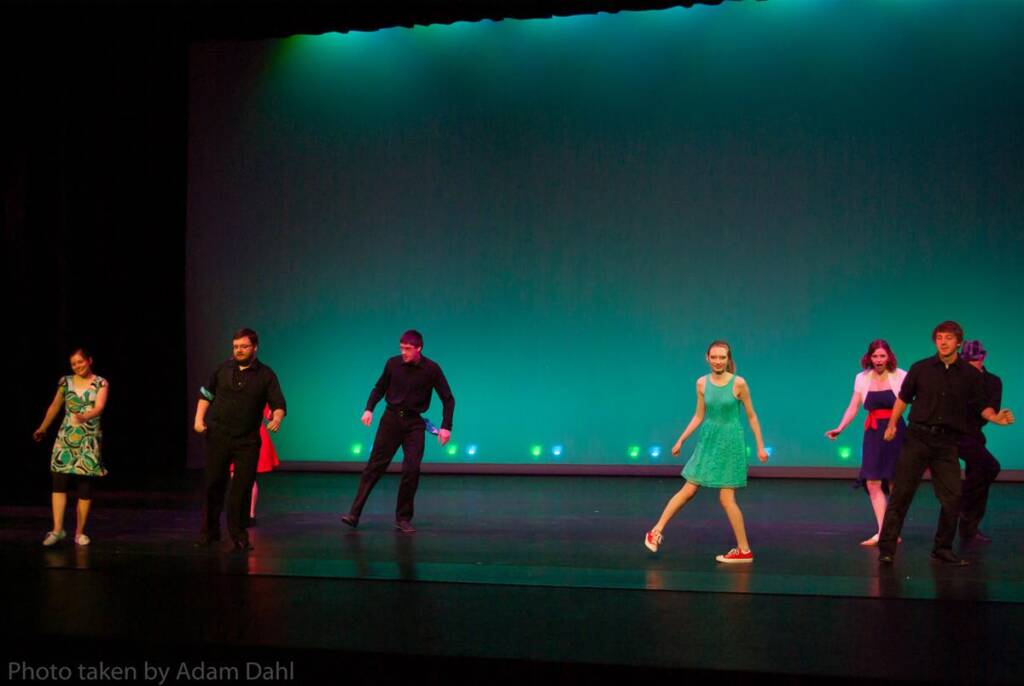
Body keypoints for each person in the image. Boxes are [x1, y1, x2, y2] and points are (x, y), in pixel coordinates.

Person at [878, 322, 1014, 566]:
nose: (943, 342)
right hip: (918, 438)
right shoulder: (921, 368)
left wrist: (995, 417)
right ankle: (886, 549)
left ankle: (942, 548)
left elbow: (981, 405)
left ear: (958, 342)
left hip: (946, 442)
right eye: (939, 338)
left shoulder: (970, 375)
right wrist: (891, 425)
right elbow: (903, 399)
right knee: (901, 494)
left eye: (948, 338)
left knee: (952, 498)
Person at [644, 341, 769, 563]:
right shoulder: (701, 383)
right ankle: (656, 531)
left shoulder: (739, 383)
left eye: (722, 357)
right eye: (714, 357)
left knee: (727, 499)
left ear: (728, 359)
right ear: (707, 358)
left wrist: (760, 446)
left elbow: (751, 415)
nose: (718, 361)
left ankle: (744, 550)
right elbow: (699, 415)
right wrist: (681, 439)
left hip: (731, 442)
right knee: (688, 489)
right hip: (708, 441)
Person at [341, 330, 455, 533]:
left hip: (414, 424)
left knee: (411, 470)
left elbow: (448, 398)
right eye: (402, 348)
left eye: (408, 349)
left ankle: (402, 518)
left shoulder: (431, 369)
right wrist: (369, 409)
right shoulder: (393, 364)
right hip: (391, 420)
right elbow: (379, 387)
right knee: (374, 467)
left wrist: (446, 427)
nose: (404, 352)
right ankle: (354, 514)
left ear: (419, 348)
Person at [194, 328, 286, 551]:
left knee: (242, 488)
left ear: (255, 347)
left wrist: (277, 417)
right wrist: (198, 419)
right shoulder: (222, 369)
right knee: (213, 485)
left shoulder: (266, 374)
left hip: (246, 441)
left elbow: (278, 403)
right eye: (236, 346)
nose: (239, 350)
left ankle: (238, 534)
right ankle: (210, 532)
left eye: (244, 346)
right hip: (218, 436)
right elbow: (206, 394)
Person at [825, 340, 907, 545]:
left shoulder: (900, 375)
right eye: (875, 356)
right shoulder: (862, 378)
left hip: (895, 429)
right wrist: (840, 427)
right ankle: (883, 531)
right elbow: (853, 406)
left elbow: (904, 403)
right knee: (872, 481)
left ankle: (892, 530)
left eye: (882, 356)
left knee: (893, 480)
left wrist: (892, 425)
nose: (878, 360)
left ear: (888, 356)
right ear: (869, 358)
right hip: (872, 432)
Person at [32, 348, 109, 546]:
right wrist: (43, 428)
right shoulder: (65, 382)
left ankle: (79, 533)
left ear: (89, 360)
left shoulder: (100, 382)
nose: (77, 366)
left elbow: (99, 406)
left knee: (85, 485)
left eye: (80, 362)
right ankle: (57, 530)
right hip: (66, 438)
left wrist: (86, 415)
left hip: (88, 439)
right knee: (59, 481)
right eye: (74, 363)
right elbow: (55, 406)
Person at [957, 340, 1003, 543]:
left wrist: (993, 415)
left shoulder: (993, 381)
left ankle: (969, 527)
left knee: (981, 475)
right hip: (954, 433)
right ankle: (964, 507)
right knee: (990, 468)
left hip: (974, 433)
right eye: (967, 360)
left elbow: (990, 410)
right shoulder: (954, 379)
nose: (971, 363)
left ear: (983, 358)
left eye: (975, 359)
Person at [230, 405, 280, 525]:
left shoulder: (258, 391)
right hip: (234, 435)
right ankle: (240, 512)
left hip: (253, 435)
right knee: (235, 475)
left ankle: (250, 514)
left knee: (248, 476)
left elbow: (269, 413)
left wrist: (274, 417)